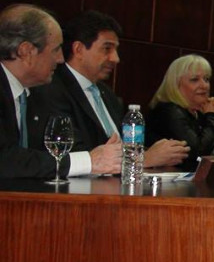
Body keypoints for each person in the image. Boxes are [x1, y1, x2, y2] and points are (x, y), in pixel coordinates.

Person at [28, 10, 189, 167]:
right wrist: (144, 159)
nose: (116, 58)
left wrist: (161, 153)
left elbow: (123, 145)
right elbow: (71, 154)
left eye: (116, 50)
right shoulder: (51, 89)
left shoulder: (107, 94)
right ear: (78, 49)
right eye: (107, 48)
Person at [0, 3, 121, 178]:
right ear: (26, 51)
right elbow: (6, 160)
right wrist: (89, 161)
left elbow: (37, 157)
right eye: (56, 50)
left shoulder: (33, 94)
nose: (61, 59)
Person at [145, 54, 214, 171]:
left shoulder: (198, 113)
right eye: (195, 80)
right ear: (175, 84)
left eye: (206, 79)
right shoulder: (169, 110)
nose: (204, 85)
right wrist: (213, 117)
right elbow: (197, 152)